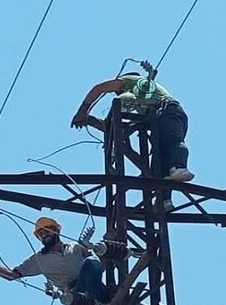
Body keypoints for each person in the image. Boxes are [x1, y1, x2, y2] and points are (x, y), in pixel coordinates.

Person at [0, 216, 150, 305]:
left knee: (92, 263)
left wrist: (105, 248)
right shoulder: (39, 259)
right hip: (76, 291)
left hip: (95, 285)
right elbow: (13, 275)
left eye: (46, 231)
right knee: (89, 269)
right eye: (40, 234)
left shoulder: (75, 247)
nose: (44, 236)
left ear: (56, 231)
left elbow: (99, 263)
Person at [70, 72, 193, 211]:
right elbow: (119, 129)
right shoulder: (144, 103)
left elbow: (99, 88)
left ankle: (181, 167)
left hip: (168, 111)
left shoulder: (131, 80)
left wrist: (82, 110)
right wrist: (91, 121)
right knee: (159, 162)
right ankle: (164, 201)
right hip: (164, 117)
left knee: (172, 142)